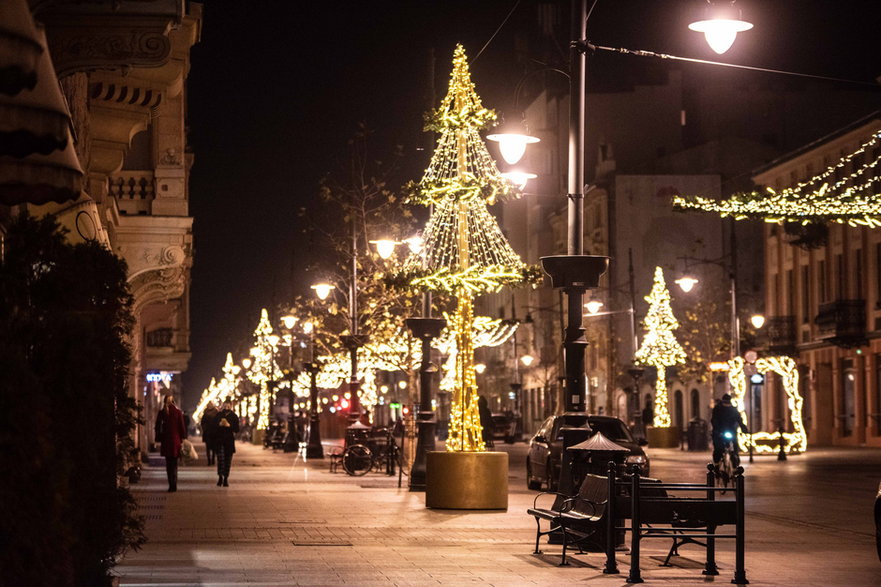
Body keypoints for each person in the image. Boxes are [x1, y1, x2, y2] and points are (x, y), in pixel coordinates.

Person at [154, 394, 187, 492]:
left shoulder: (162, 412)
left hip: (166, 441)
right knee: (174, 464)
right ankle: (174, 484)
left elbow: (157, 427)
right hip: (176, 441)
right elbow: (182, 427)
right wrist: (183, 438)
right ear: (173, 402)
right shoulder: (178, 412)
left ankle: (170, 485)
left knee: (168, 465)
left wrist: (158, 437)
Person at [711, 393, 748, 467]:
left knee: (735, 445)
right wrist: (716, 429)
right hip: (719, 431)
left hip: (731, 430)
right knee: (718, 448)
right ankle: (717, 464)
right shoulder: (718, 409)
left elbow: (739, 419)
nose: (727, 404)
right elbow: (714, 420)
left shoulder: (733, 410)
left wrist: (744, 428)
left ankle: (735, 458)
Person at [213, 399, 240, 487]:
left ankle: (226, 478)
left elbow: (237, 429)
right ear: (223, 405)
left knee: (228, 460)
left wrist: (229, 426)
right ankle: (220, 477)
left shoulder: (234, 416)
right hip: (220, 440)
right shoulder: (219, 415)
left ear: (231, 406)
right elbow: (213, 426)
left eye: (228, 405)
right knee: (220, 460)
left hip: (229, 441)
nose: (227, 406)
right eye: (225, 405)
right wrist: (219, 425)